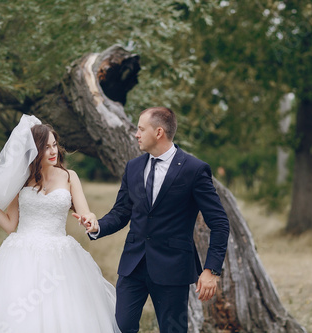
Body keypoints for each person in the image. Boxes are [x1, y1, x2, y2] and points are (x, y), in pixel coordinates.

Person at [77, 106, 230, 333]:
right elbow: (121, 212)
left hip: (173, 267)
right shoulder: (133, 167)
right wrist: (97, 225)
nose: (136, 134)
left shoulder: (194, 170)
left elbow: (219, 222)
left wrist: (211, 270)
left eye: (141, 129)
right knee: (120, 327)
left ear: (159, 132)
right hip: (133, 266)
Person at [0, 116, 120, 332]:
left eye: (54, 145)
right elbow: (11, 225)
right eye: (46, 147)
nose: (53, 151)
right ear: (33, 151)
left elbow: (85, 211)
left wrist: (90, 219)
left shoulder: (70, 177)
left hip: (60, 255)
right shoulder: (21, 182)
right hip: (21, 255)